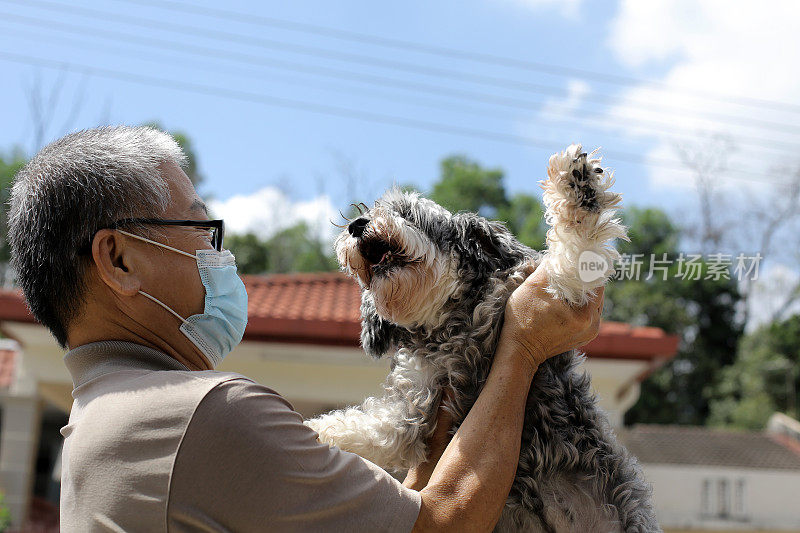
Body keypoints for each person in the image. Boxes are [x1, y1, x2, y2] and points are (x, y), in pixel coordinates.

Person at [8, 126, 603, 532]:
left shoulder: (93, 433)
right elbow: (439, 526)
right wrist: (522, 349)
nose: (221, 253)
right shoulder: (208, 416)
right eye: (198, 228)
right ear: (119, 260)